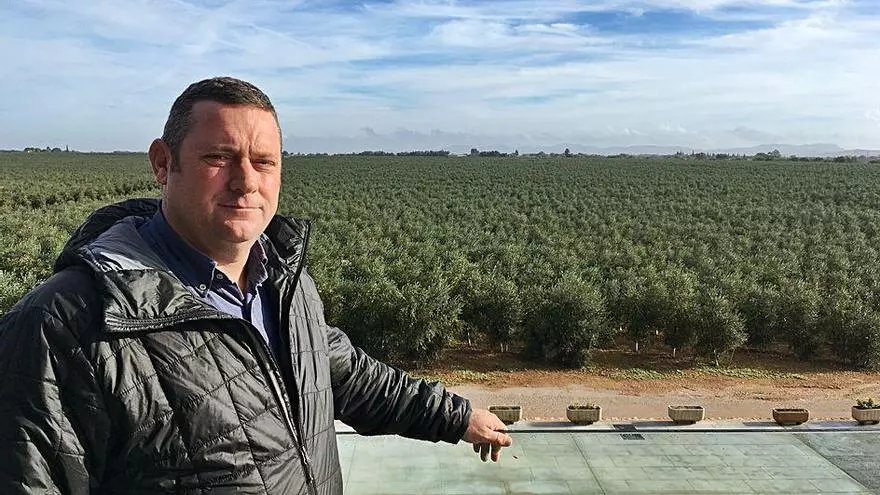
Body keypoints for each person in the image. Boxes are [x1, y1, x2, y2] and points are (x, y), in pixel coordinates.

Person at [0, 77, 512, 494]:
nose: (246, 181)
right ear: (162, 162)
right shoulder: (64, 324)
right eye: (219, 157)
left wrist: (455, 417)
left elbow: (342, 373)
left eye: (264, 161)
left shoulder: (286, 283)